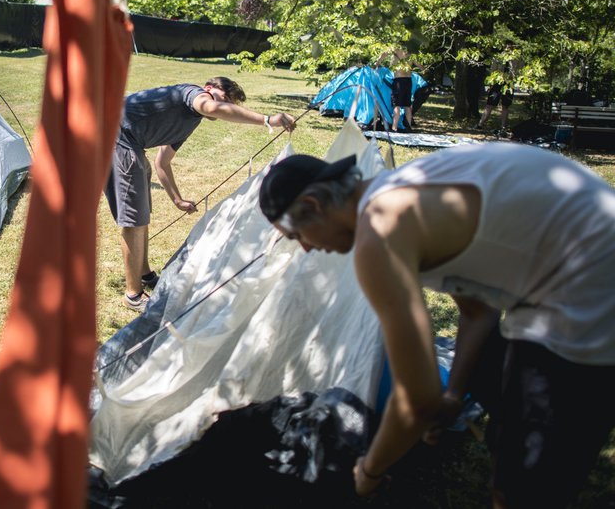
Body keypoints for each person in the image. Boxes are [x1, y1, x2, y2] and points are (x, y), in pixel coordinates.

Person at [258, 144, 615, 507]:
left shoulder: (379, 230)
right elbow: (479, 313)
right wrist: (453, 395)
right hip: (581, 261)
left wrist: (369, 471)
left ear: (315, 206)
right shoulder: (399, 190)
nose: (304, 249)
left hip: (588, 290)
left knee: (525, 487)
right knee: (509, 426)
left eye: (296, 235)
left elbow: (416, 400)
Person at [106, 77, 295, 311]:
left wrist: (177, 199)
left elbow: (162, 162)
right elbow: (212, 106)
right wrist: (268, 120)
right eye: (228, 102)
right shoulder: (192, 95)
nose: (226, 110)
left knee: (142, 214)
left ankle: (144, 275)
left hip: (132, 143)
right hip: (115, 135)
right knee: (134, 220)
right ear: (210, 89)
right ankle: (133, 295)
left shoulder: (190, 121)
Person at [376, 48, 426, 132]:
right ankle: (408, 127)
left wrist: (378, 62)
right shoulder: (411, 53)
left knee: (397, 105)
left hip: (399, 81)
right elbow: (420, 65)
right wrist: (424, 70)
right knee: (407, 105)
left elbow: (384, 53)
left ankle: (394, 127)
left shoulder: (396, 49)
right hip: (408, 81)